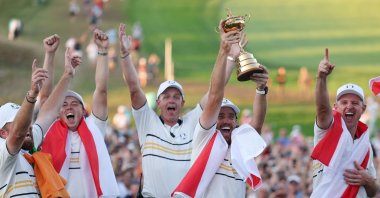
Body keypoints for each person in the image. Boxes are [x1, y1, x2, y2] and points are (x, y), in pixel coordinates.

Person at [118, 22, 244, 197]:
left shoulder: (193, 122)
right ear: (158, 102)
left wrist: (231, 57)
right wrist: (125, 56)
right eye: (167, 96)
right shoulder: (147, 121)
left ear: (183, 103)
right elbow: (133, 87)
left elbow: (215, 91)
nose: (172, 100)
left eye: (176, 97)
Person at [173, 21, 269, 197]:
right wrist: (225, 53)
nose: (226, 120)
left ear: (236, 122)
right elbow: (215, 96)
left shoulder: (239, 145)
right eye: (221, 115)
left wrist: (261, 89)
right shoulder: (204, 138)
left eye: (231, 117)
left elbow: (257, 125)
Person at [41, 29, 119, 197]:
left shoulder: (94, 127)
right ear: (57, 112)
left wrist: (103, 51)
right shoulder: (50, 129)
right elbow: (46, 96)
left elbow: (102, 90)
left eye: (75, 103)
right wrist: (50, 54)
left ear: (84, 111)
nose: (69, 107)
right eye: (64, 104)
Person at [0, 47, 81, 197]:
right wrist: (32, 95)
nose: (28, 126)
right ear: (3, 133)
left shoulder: (28, 144)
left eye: (27, 121)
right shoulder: (2, 152)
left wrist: (67, 75)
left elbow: (48, 113)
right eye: (18, 122)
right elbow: (18, 133)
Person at [310, 48, 377, 197]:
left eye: (355, 102)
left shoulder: (365, 144)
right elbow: (322, 109)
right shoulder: (327, 130)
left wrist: (368, 181)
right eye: (344, 102)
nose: (349, 106)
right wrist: (321, 78)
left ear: (363, 108)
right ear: (335, 107)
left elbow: (373, 193)